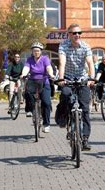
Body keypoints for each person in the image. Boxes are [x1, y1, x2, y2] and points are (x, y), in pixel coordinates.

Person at [56, 23, 96, 151]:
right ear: (69, 34)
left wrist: (91, 78)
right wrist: (61, 79)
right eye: (74, 33)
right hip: (67, 78)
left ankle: (85, 139)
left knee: (85, 109)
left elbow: (90, 63)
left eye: (79, 33)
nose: (77, 35)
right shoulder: (63, 45)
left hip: (82, 79)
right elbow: (62, 63)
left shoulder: (85, 46)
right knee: (66, 96)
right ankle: (64, 116)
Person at [20, 42, 56, 133]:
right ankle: (31, 110)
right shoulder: (29, 59)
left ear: (41, 51)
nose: (36, 52)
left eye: (38, 51)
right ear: (32, 52)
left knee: (46, 103)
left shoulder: (45, 59)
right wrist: (23, 74)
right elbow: (26, 68)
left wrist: (51, 74)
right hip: (32, 81)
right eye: (34, 51)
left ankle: (46, 124)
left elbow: (48, 67)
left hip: (44, 81)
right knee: (27, 92)